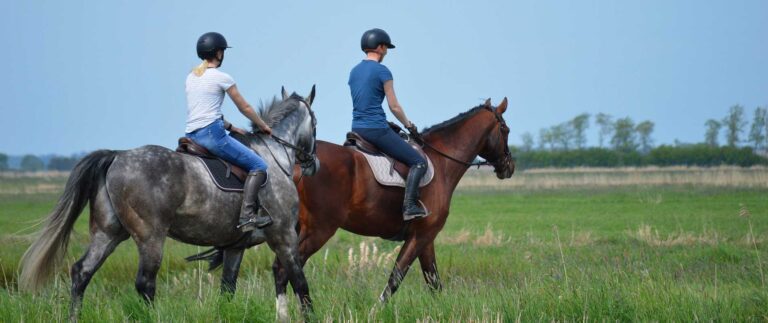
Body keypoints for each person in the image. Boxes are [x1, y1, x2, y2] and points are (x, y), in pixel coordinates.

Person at [185, 32, 273, 231]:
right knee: (259, 165)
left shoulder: (192, 76)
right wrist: (262, 125)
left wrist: (232, 127)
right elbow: (245, 107)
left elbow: (204, 111)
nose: (223, 54)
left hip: (191, 136)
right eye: (222, 51)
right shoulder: (222, 77)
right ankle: (247, 217)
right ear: (218, 53)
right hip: (212, 136)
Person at [348, 28, 428, 220]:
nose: (387, 52)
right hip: (376, 129)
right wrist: (409, 126)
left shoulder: (354, 71)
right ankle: (409, 206)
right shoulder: (383, 71)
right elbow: (394, 106)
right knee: (418, 161)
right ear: (381, 47)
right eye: (386, 48)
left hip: (357, 128)